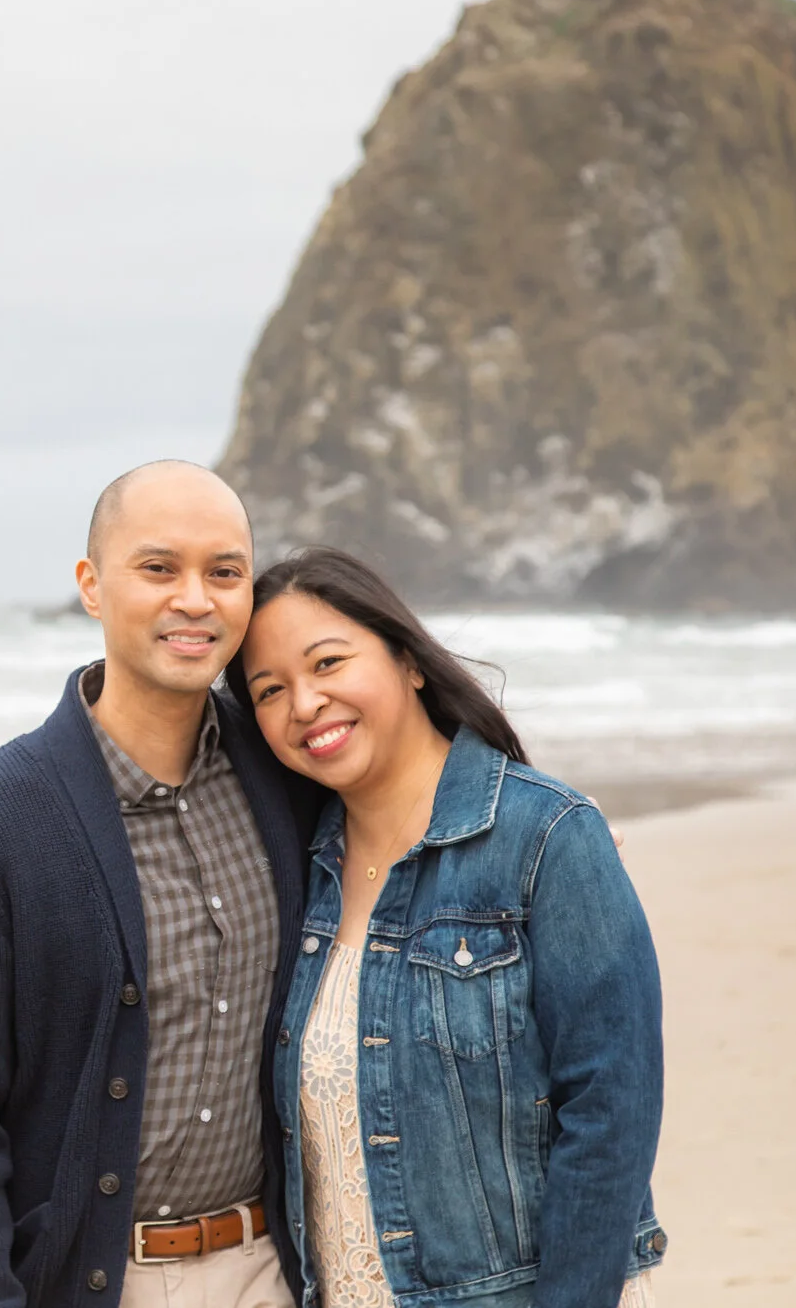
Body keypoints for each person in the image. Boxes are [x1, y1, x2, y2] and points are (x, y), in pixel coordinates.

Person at [0, 460, 315, 1308]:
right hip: (93, 1281)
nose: (195, 598)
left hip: (275, 1272)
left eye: (224, 572)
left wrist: (552, 837)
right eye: (159, 568)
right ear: (91, 585)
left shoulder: (289, 777)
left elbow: (411, 787)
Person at [229, 547, 667, 1308]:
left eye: (328, 662)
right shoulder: (302, 870)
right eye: (270, 690)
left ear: (410, 661)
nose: (304, 703)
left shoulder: (545, 835)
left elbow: (611, 1110)